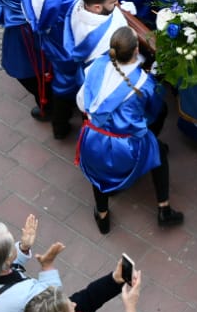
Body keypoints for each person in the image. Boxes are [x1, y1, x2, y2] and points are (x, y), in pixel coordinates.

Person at [76, 27, 182, 234]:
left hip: (93, 139)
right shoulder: (143, 83)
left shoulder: (96, 66)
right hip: (126, 146)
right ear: (136, 51)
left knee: (98, 169)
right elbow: (153, 112)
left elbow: (82, 101)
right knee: (158, 152)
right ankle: (164, 209)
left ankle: (103, 215)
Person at [47, 0, 120, 142]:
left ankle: (60, 127)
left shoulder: (77, 5)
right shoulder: (105, 35)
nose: (117, 4)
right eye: (113, 2)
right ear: (96, 7)